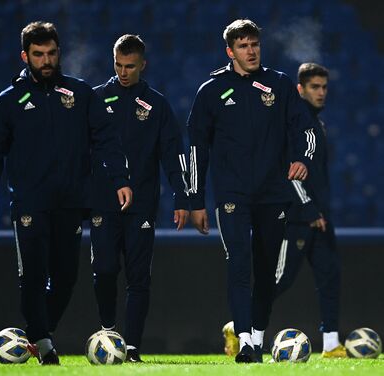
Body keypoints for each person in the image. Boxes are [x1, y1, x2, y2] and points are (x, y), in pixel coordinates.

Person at [0, 21, 131, 366]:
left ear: (59, 53)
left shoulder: (79, 93)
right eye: (38, 54)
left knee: (65, 278)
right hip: (30, 204)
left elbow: (106, 137)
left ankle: (30, 337)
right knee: (32, 275)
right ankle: (44, 345)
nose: (45, 60)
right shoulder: (11, 100)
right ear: (25, 56)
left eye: (50, 53)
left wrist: (121, 178)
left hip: (71, 202)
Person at [187, 19, 316, 363]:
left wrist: (302, 159)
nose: (251, 50)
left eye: (254, 44)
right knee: (239, 263)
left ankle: (257, 338)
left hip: (273, 193)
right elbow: (196, 149)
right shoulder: (211, 91)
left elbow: (306, 129)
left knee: (266, 268)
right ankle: (245, 340)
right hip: (232, 195)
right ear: (230, 51)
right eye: (243, 45)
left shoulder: (280, 84)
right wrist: (194, 200)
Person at [90, 34, 189, 362]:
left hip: (143, 203)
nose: (123, 71)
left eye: (130, 66)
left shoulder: (157, 104)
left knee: (138, 277)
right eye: (118, 64)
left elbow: (172, 154)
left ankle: (131, 347)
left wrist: (181, 195)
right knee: (104, 269)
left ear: (142, 65)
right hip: (103, 201)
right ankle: (108, 332)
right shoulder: (96, 99)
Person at [274, 63, 345, 358]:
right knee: (279, 280)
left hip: (320, 219)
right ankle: (239, 328)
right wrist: (309, 209)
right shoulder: (295, 125)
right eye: (315, 87)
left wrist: (321, 212)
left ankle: (331, 344)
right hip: (297, 219)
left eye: (324, 87)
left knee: (330, 276)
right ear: (300, 89)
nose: (321, 92)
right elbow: (290, 173)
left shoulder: (318, 124)